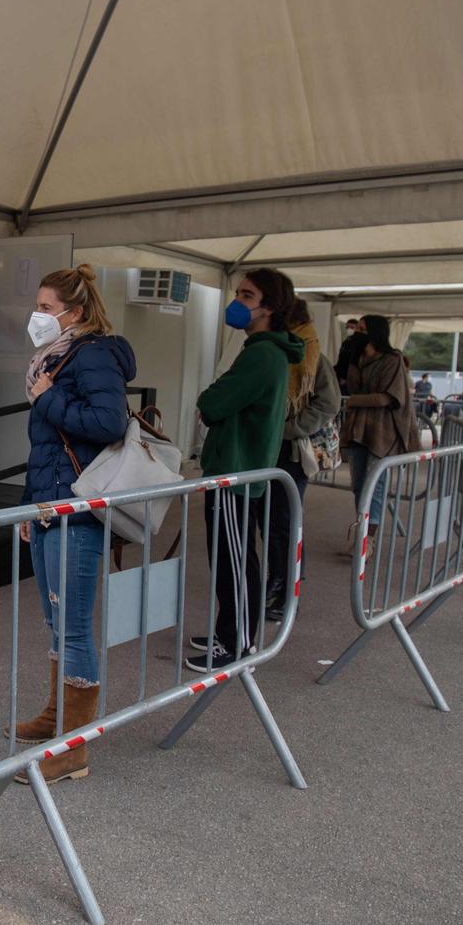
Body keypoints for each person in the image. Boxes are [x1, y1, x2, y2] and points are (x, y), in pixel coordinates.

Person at [12, 264, 134, 784]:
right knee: (57, 619)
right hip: (50, 503)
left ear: (74, 312)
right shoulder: (56, 358)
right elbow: (45, 446)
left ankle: (74, 748)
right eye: (37, 306)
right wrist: (28, 504)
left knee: (75, 625)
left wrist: (48, 397)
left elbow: (109, 423)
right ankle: (55, 716)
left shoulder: (94, 355)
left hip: (79, 508)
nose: (36, 316)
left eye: (45, 307)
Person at [192, 270, 303, 667]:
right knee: (233, 557)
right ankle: (230, 631)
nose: (237, 302)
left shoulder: (261, 353)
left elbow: (215, 402)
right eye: (237, 292)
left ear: (269, 307)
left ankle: (236, 642)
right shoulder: (262, 349)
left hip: (237, 470)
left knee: (234, 560)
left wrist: (210, 401)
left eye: (247, 295)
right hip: (239, 468)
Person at [266, 299, 338, 622]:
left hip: (292, 449)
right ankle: (277, 578)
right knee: (268, 519)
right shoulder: (273, 353)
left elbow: (328, 403)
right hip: (269, 447)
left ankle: (289, 587)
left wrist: (291, 429)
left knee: (287, 519)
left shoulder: (313, 358)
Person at [337, 314, 418, 555]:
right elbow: (351, 385)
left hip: (382, 431)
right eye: (356, 329)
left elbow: (388, 396)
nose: (358, 333)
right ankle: (361, 532)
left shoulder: (393, 360)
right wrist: (350, 358)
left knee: (376, 484)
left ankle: (368, 539)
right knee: (359, 484)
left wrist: (354, 401)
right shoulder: (358, 357)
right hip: (359, 429)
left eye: (363, 329)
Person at [334, 317, 369, 395]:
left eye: (352, 327)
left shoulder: (360, 343)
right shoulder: (346, 342)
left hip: (349, 378)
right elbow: (341, 360)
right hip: (341, 377)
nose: (349, 329)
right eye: (347, 327)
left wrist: (345, 377)